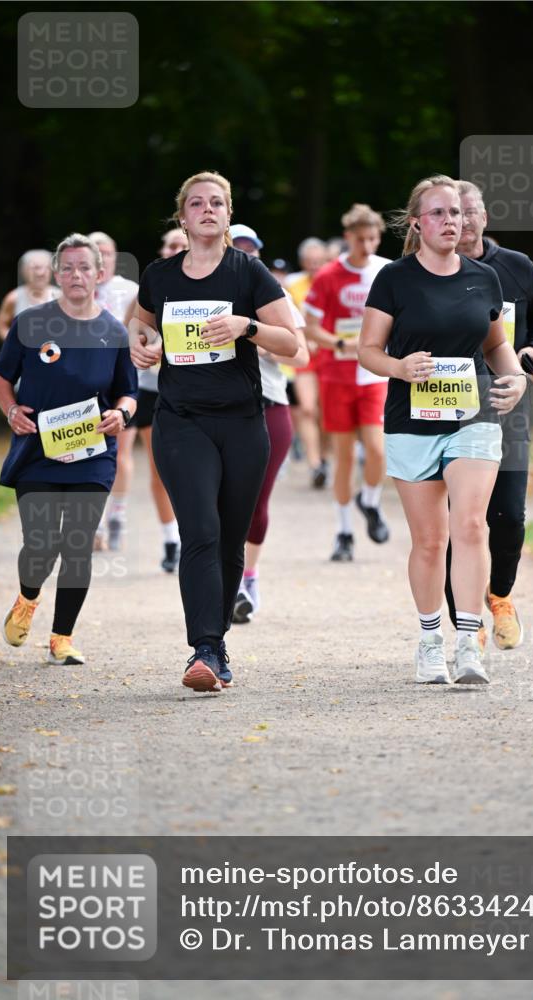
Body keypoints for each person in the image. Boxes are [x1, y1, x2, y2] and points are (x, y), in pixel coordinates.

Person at [130, 170, 298, 693]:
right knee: (200, 530)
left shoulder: (248, 272)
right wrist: (141, 344)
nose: (207, 210)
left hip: (243, 422)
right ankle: (203, 648)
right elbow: (138, 323)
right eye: (197, 203)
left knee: (229, 538)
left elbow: (293, 343)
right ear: (182, 216)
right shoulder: (160, 275)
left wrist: (247, 327)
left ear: (228, 215)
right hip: (181, 421)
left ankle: (217, 644)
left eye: (217, 203)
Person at [358, 176, 527, 685]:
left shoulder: (484, 278)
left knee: (471, 525)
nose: (451, 221)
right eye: (438, 213)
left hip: (472, 416)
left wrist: (515, 378)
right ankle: (430, 641)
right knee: (431, 540)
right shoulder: (394, 279)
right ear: (416, 223)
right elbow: (368, 351)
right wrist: (400, 367)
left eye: (456, 212)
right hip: (411, 420)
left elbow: (496, 345)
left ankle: (469, 643)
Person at [0, 233, 137, 665]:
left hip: (93, 453)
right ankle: (27, 597)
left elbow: (128, 392)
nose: (76, 275)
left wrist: (121, 414)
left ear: (99, 273)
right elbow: (0, 376)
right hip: (38, 451)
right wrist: (11, 410)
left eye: (84, 267)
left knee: (76, 544)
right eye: (68, 267)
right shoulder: (30, 323)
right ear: (56, 273)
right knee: (40, 545)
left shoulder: (113, 331)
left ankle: (62, 638)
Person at [444, 180, 533, 652]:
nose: (464, 221)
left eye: (471, 212)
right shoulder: (431, 271)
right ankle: (467, 622)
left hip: (508, 406)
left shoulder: (515, 265)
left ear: (485, 217)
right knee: (462, 519)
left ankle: (501, 595)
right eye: (455, 212)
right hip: (451, 407)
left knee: (508, 515)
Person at [227, 224, 309, 623]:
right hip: (220, 407)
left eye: (252, 249)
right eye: (238, 248)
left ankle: (248, 579)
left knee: (256, 500)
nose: (246, 255)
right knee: (218, 499)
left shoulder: (277, 297)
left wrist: (260, 340)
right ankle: (223, 580)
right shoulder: (205, 293)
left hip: (269, 404)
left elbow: (302, 356)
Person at [304, 203, 391, 562]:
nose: (367, 247)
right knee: (343, 456)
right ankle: (344, 533)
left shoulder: (386, 271)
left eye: (372, 239)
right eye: (360, 240)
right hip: (337, 375)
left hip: (373, 375)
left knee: (377, 450)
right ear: (347, 238)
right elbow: (310, 328)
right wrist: (341, 344)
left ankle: (369, 501)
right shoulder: (328, 275)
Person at [126, 228, 190, 573]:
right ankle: (171, 539)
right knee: (161, 469)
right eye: (168, 245)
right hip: (155, 389)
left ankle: (201, 534)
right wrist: (147, 345)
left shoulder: (214, 284)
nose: (172, 249)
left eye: (179, 244)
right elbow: (130, 333)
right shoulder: (150, 286)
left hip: (200, 389)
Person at [88, 232, 140, 550]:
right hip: (84, 385)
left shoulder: (129, 290)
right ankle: (94, 523)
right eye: (94, 252)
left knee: (120, 453)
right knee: (86, 454)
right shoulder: (73, 290)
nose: (101, 258)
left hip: (121, 384)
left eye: (106, 253)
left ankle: (117, 515)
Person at [286, 237, 331, 487]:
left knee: (325, 412)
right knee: (307, 408)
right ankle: (314, 464)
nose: (314, 266)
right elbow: (288, 318)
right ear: (303, 262)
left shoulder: (333, 281)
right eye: (310, 262)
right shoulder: (293, 284)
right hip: (305, 355)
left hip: (330, 354)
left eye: (319, 261)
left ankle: (323, 458)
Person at [0, 250, 59, 341]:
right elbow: (1, 326)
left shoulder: (61, 297)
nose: (40, 273)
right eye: (35, 268)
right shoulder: (14, 298)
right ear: (24, 271)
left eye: (46, 268)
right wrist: (14, 342)